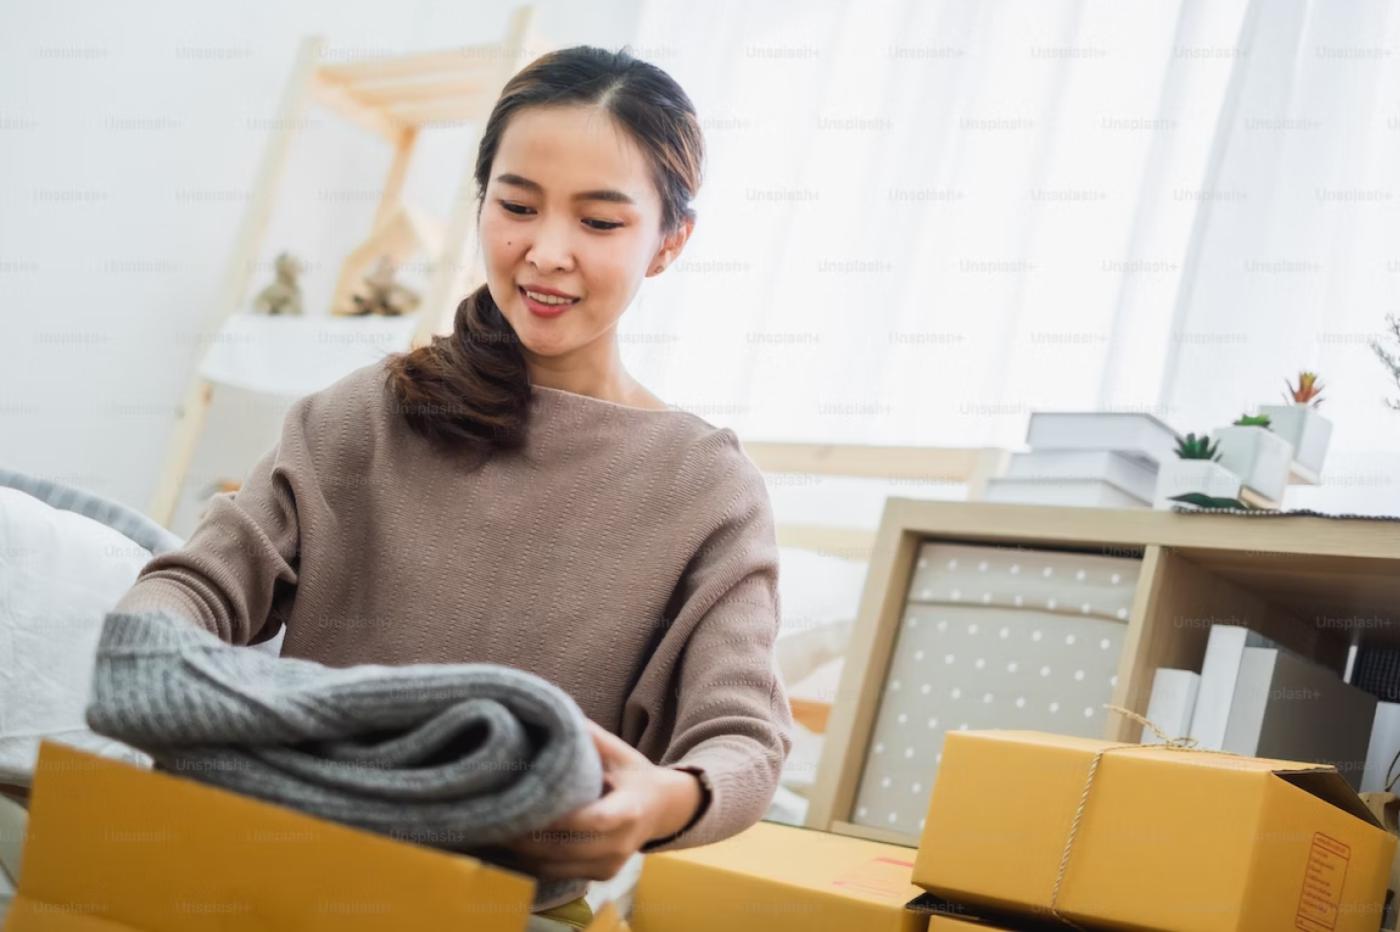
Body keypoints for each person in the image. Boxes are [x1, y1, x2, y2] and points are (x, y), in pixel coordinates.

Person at [113, 45, 793, 930]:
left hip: (500, 910)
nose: (546, 253)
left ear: (669, 241)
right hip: (262, 866)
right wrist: (148, 655)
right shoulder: (364, 415)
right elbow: (198, 584)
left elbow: (741, 736)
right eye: (516, 207)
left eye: (599, 222)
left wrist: (663, 802)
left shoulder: (707, 489)